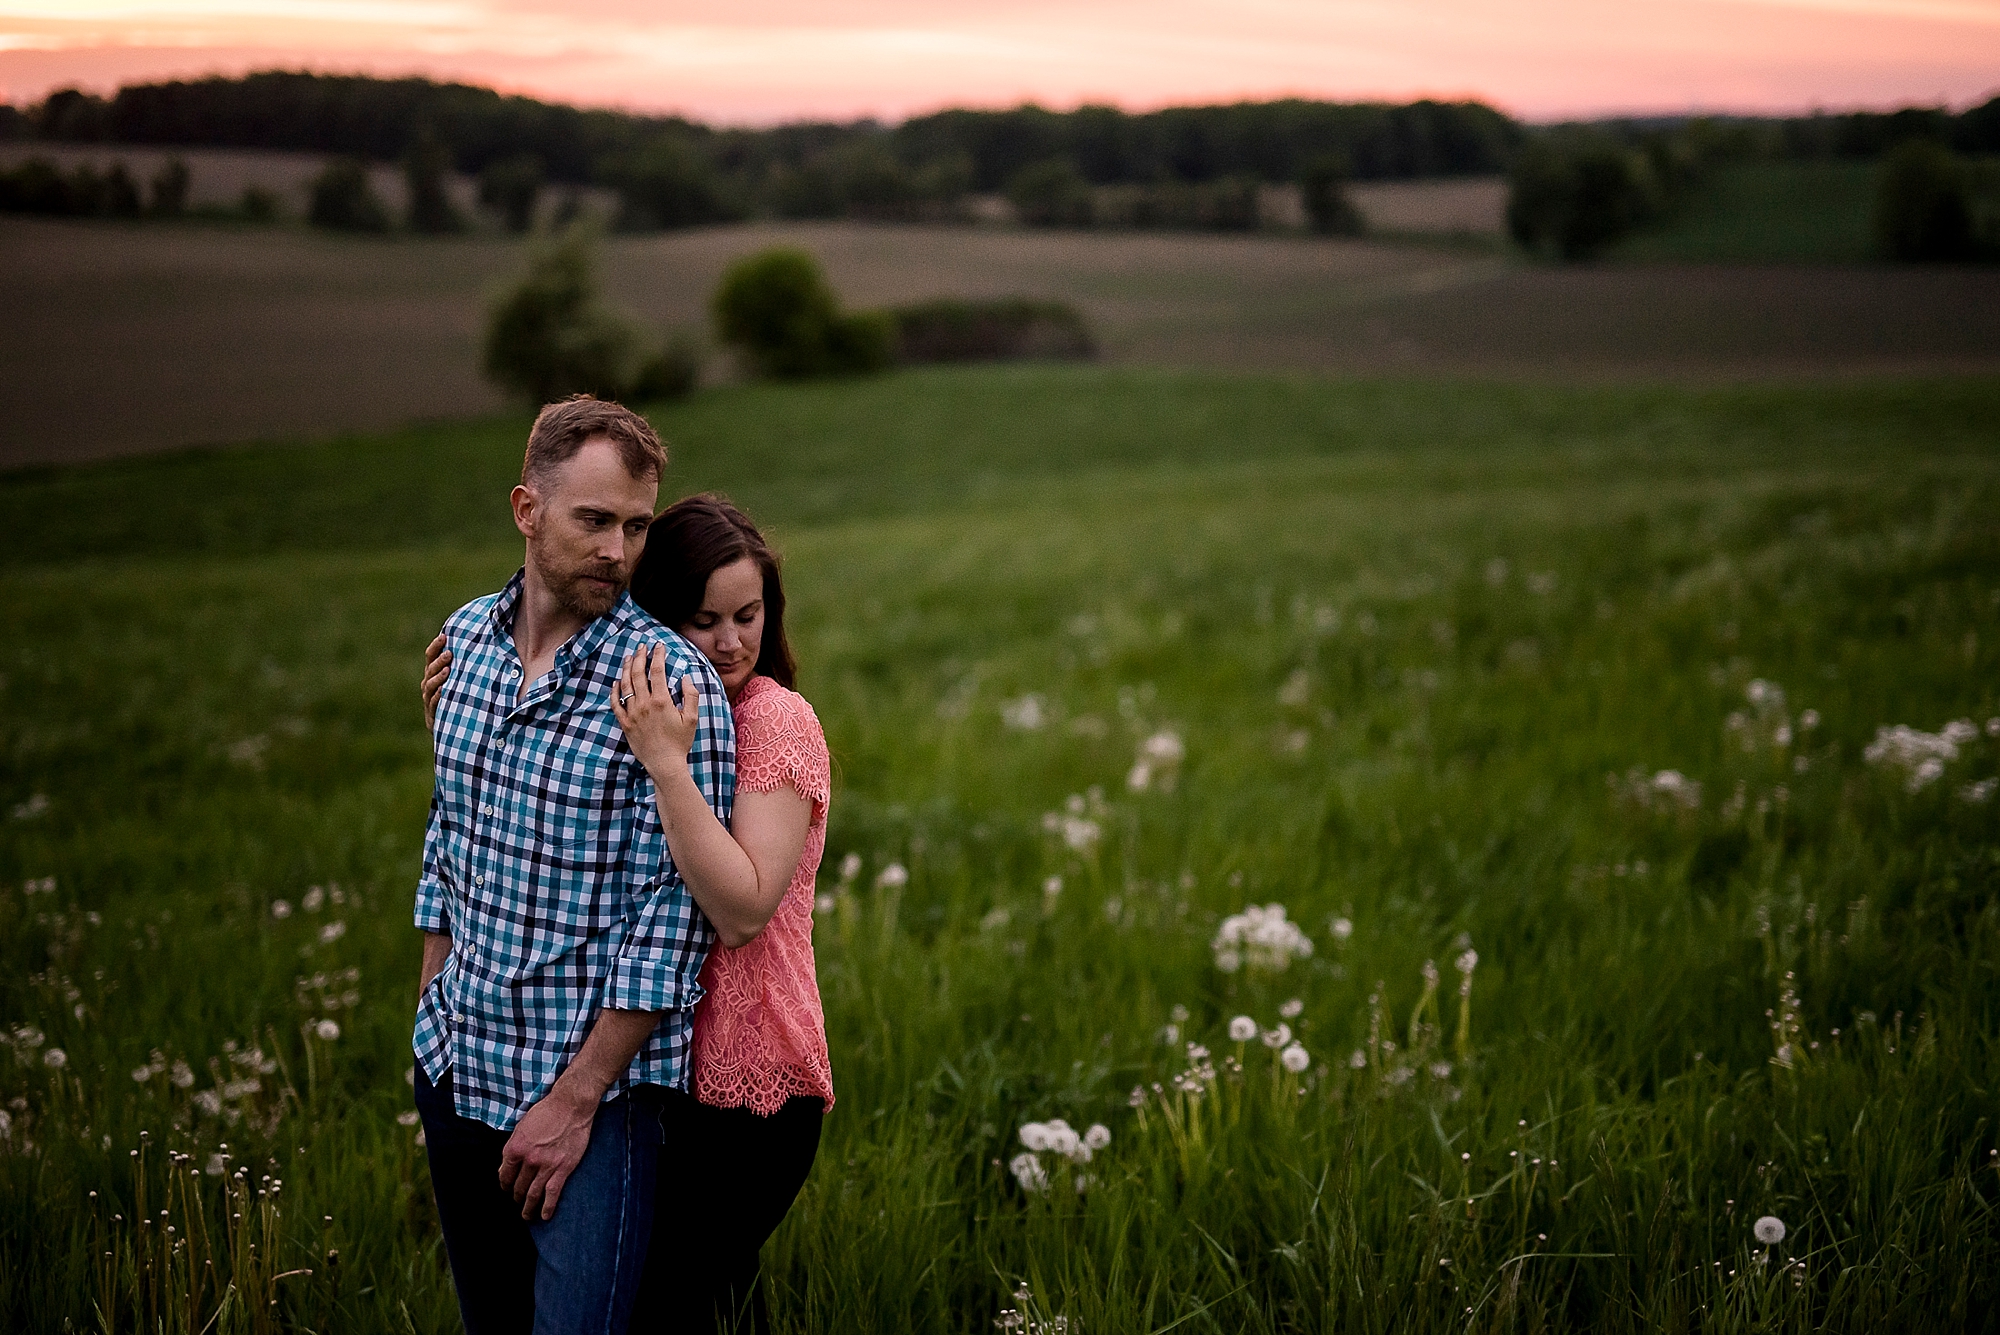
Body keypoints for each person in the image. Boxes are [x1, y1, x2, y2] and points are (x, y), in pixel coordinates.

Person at [426, 494, 835, 1333]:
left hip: (747, 1087)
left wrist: (667, 764)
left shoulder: (773, 723)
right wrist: (460, 713)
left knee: (660, 1304)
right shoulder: (644, 701)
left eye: (748, 615)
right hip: (659, 1073)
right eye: (703, 619)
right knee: (708, 1303)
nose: (730, 641)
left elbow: (742, 910)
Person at [412, 397, 735, 1335]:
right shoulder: (464, 644)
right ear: (526, 510)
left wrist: (577, 1097)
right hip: (455, 1064)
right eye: (593, 520)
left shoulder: (665, 683)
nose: (619, 550)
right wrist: (425, 1021)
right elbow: (449, 838)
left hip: (589, 1102)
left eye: (636, 525)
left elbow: (670, 919)